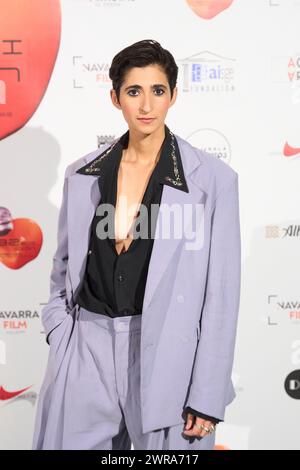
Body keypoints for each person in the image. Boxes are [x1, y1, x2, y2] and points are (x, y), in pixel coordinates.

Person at [32, 39, 241, 450]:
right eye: (134, 92)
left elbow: (222, 297)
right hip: (86, 353)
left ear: (174, 96)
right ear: (115, 98)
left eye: (157, 91)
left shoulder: (214, 180)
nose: (146, 106)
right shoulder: (82, 175)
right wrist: (61, 335)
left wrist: (207, 394)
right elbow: (65, 265)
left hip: (167, 355)